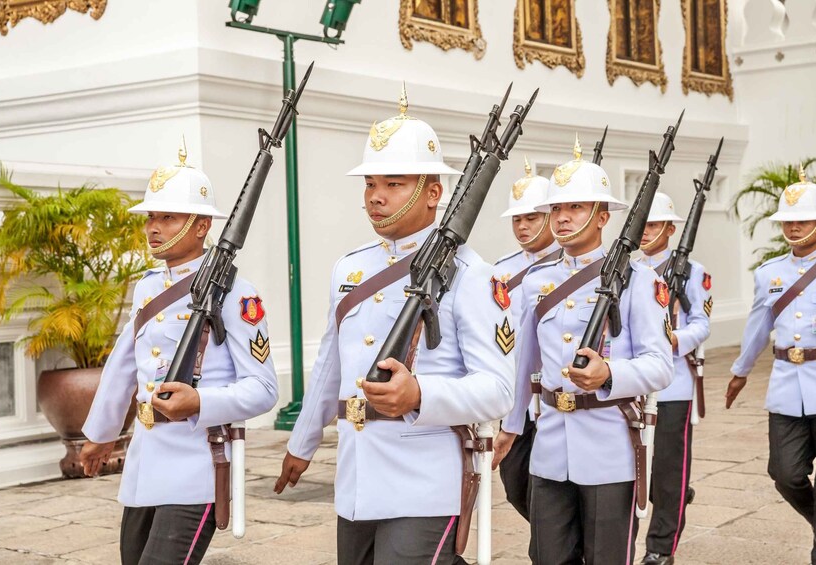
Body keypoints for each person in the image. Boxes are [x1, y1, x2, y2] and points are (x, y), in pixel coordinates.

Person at [274, 88, 514, 564]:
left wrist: (419, 394)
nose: (376, 197)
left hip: (426, 479)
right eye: (370, 184)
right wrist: (302, 442)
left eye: (394, 184)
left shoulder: (472, 274)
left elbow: (498, 390)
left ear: (433, 192)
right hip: (358, 476)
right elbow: (329, 365)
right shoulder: (350, 269)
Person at [80, 144, 279, 565]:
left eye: (167, 217)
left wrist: (201, 403)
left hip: (195, 469)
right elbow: (123, 367)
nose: (153, 227)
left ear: (201, 225)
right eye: (151, 217)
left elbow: (263, 389)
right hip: (144, 467)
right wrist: (101, 435)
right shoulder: (149, 286)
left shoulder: (237, 294)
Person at [494, 140, 673, 564]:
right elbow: (524, 363)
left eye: (575, 207)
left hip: (608, 445)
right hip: (551, 444)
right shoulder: (538, 280)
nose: (563, 217)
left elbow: (660, 365)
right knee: (548, 556)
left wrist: (609, 373)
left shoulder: (640, 280)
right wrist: (512, 425)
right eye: (556, 209)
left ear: (603, 216)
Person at [726, 166, 816, 564]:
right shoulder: (769, 273)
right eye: (787, 221)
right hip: (788, 386)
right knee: (785, 475)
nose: (792, 227)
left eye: (801, 220)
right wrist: (740, 370)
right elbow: (758, 327)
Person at [636, 193, 711, 565]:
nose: (646, 232)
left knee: (667, 471)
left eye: (653, 225)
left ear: (670, 228)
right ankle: (676, 498)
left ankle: (660, 548)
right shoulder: (630, 271)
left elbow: (702, 323)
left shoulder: (692, 273)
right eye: (643, 225)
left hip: (672, 385)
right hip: (632, 386)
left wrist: (676, 340)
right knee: (637, 471)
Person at [491, 157, 561, 521]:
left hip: (552, 398)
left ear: (551, 215)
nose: (522, 226)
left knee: (552, 498)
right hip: (512, 400)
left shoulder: (571, 268)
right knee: (516, 485)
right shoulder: (501, 270)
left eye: (531, 217)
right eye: (517, 219)